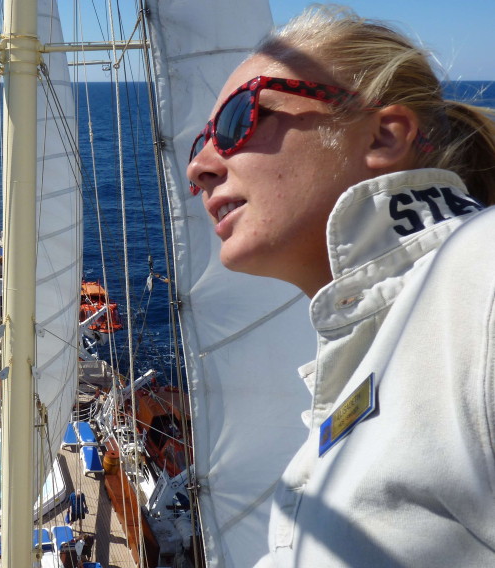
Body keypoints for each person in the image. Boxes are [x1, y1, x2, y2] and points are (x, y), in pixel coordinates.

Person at [186, 5, 495, 567]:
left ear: (384, 136)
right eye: (198, 143)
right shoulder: (364, 367)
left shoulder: (482, 274)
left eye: (238, 119)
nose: (199, 167)